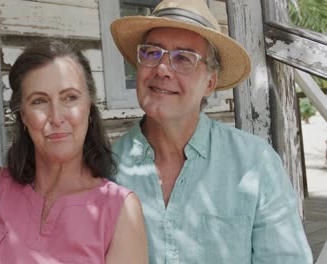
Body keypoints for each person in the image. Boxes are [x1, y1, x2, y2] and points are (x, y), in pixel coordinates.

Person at [109, 0, 313, 263]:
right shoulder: (107, 168)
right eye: (152, 53)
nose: (161, 69)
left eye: (183, 58)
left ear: (210, 83)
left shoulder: (255, 164)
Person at [0, 39, 147, 263]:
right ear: (23, 116)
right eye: (39, 101)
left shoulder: (120, 210)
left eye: (70, 98)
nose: (56, 118)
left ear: (89, 107)